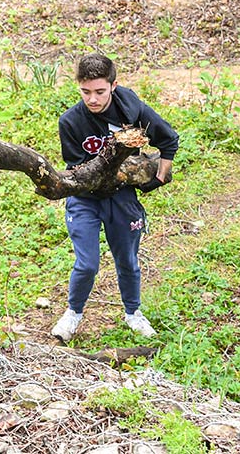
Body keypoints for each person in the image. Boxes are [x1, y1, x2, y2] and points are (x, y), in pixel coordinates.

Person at [50, 54, 179, 342]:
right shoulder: (70, 122)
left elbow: (168, 137)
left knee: (128, 261)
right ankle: (73, 314)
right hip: (85, 198)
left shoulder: (130, 108)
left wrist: (159, 175)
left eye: (99, 91)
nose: (92, 99)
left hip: (122, 198)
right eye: (85, 92)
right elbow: (79, 170)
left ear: (113, 86)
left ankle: (133, 314)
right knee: (87, 264)